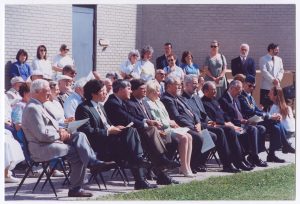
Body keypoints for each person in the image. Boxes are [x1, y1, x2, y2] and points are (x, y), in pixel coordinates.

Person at [22, 79, 115, 197]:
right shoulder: (33, 108)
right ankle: (76, 187)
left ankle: (93, 162)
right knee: (77, 152)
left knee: (79, 135)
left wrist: (62, 129)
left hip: (51, 142)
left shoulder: (40, 106)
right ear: (36, 91)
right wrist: (61, 135)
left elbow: (50, 127)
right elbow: (41, 135)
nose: (50, 93)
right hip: (41, 147)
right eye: (47, 91)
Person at [75, 79, 157, 190]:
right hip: (98, 144)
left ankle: (140, 172)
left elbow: (107, 124)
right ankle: (140, 171)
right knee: (132, 144)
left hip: (110, 140)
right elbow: (86, 131)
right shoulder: (83, 108)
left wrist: (114, 127)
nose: (105, 93)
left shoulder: (100, 106)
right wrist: (108, 131)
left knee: (131, 131)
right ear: (93, 93)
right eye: (102, 91)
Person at [104, 79, 179, 185]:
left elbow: (133, 117)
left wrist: (146, 121)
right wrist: (146, 123)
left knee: (154, 142)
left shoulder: (121, 101)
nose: (130, 91)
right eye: (129, 89)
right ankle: (158, 168)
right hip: (119, 139)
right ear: (120, 90)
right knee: (150, 137)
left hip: (130, 135)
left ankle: (159, 175)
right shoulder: (113, 102)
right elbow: (127, 118)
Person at [182, 75, 242, 173]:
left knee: (230, 129)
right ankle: (227, 164)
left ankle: (238, 160)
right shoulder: (183, 99)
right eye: (194, 83)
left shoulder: (196, 98)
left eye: (197, 83)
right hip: (196, 126)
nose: (196, 86)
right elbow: (189, 116)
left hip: (206, 123)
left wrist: (211, 122)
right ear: (186, 84)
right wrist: (203, 124)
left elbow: (204, 115)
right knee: (219, 131)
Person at [161, 76, 214, 173]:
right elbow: (177, 117)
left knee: (211, 136)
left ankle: (196, 164)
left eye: (180, 84)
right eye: (177, 85)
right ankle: (189, 165)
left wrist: (198, 122)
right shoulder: (167, 99)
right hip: (180, 127)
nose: (180, 87)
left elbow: (193, 112)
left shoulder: (178, 97)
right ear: (169, 86)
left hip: (192, 125)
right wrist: (192, 127)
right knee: (199, 137)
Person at [238, 75, 295, 163]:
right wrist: (270, 116)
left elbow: (257, 110)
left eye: (254, 86)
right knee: (274, 121)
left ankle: (272, 154)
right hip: (247, 121)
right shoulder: (241, 96)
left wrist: (270, 115)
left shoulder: (250, 97)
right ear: (244, 84)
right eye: (250, 86)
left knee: (276, 125)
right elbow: (250, 112)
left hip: (255, 120)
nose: (252, 88)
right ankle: (283, 146)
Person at [145, 80, 194, 177]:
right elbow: (156, 120)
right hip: (161, 130)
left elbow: (166, 117)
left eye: (159, 91)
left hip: (168, 128)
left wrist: (171, 122)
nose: (159, 93)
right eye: (157, 91)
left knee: (189, 136)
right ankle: (183, 167)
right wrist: (169, 122)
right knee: (183, 138)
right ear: (151, 91)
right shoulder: (147, 103)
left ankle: (187, 165)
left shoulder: (159, 102)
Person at [201, 81, 253, 171]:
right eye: (212, 90)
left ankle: (239, 161)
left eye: (215, 89)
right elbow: (209, 120)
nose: (215, 92)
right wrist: (225, 124)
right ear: (205, 91)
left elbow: (223, 114)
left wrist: (229, 122)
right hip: (213, 126)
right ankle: (228, 164)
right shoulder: (203, 103)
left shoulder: (215, 101)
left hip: (223, 125)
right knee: (228, 130)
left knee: (241, 131)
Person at [218, 80, 268, 167]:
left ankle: (252, 155)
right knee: (252, 129)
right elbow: (226, 118)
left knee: (261, 128)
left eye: (241, 90)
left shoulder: (236, 98)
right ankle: (252, 157)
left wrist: (248, 120)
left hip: (243, 123)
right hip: (233, 125)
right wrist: (241, 121)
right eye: (238, 90)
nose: (240, 92)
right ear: (232, 88)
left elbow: (241, 113)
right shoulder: (223, 100)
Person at [259, 43, 284, 112]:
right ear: (270, 50)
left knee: (276, 107)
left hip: (276, 88)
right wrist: (273, 80)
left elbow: (281, 70)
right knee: (265, 107)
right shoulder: (263, 59)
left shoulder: (279, 59)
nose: (278, 51)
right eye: (276, 50)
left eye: (278, 50)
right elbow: (264, 71)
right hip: (266, 88)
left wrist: (278, 79)